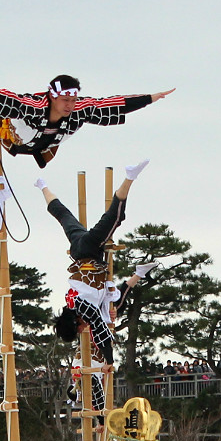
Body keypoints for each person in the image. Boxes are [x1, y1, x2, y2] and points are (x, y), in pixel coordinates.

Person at [41, 161, 158, 412]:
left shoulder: (83, 308)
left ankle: (129, 178)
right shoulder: (72, 303)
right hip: (82, 257)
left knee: (115, 217)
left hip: (91, 252)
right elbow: (98, 327)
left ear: (77, 323)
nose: (84, 327)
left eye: (80, 326)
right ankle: (43, 187)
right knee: (64, 217)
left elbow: (102, 334)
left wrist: (108, 361)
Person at [0, 74, 174, 168]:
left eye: (73, 99)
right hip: (11, 131)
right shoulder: (34, 105)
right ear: (52, 96)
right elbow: (10, 99)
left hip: (42, 146)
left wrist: (150, 98)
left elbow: (113, 104)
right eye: (65, 99)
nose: (70, 104)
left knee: (95, 109)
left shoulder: (79, 109)